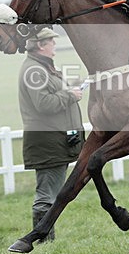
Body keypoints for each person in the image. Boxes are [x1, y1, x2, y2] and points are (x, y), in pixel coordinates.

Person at [19, 27, 84, 242]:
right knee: (46, 195)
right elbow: (44, 104)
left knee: (51, 193)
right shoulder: (34, 70)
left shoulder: (42, 67)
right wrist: (70, 95)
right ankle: (43, 242)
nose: (54, 44)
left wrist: (70, 89)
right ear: (40, 45)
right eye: (51, 41)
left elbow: (52, 93)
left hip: (54, 140)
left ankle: (44, 241)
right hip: (47, 141)